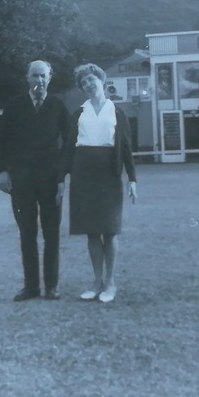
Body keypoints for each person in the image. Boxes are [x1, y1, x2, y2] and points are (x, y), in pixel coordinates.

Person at [0, 60, 74, 302]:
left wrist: (62, 176)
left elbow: (69, 143)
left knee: (51, 232)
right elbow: (1, 139)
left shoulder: (58, 105)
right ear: (27, 78)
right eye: (34, 76)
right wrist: (2, 171)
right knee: (27, 232)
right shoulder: (15, 105)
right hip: (21, 179)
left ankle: (51, 286)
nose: (39, 81)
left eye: (43, 76)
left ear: (49, 78)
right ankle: (31, 287)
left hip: (50, 178)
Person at [66, 63, 138, 303]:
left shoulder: (117, 112)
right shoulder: (79, 113)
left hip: (109, 173)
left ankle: (110, 283)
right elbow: (68, 148)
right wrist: (60, 179)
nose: (88, 84)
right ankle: (96, 282)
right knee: (92, 232)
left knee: (110, 230)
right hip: (83, 174)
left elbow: (126, 148)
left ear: (101, 81)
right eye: (83, 82)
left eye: (91, 79)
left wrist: (133, 179)